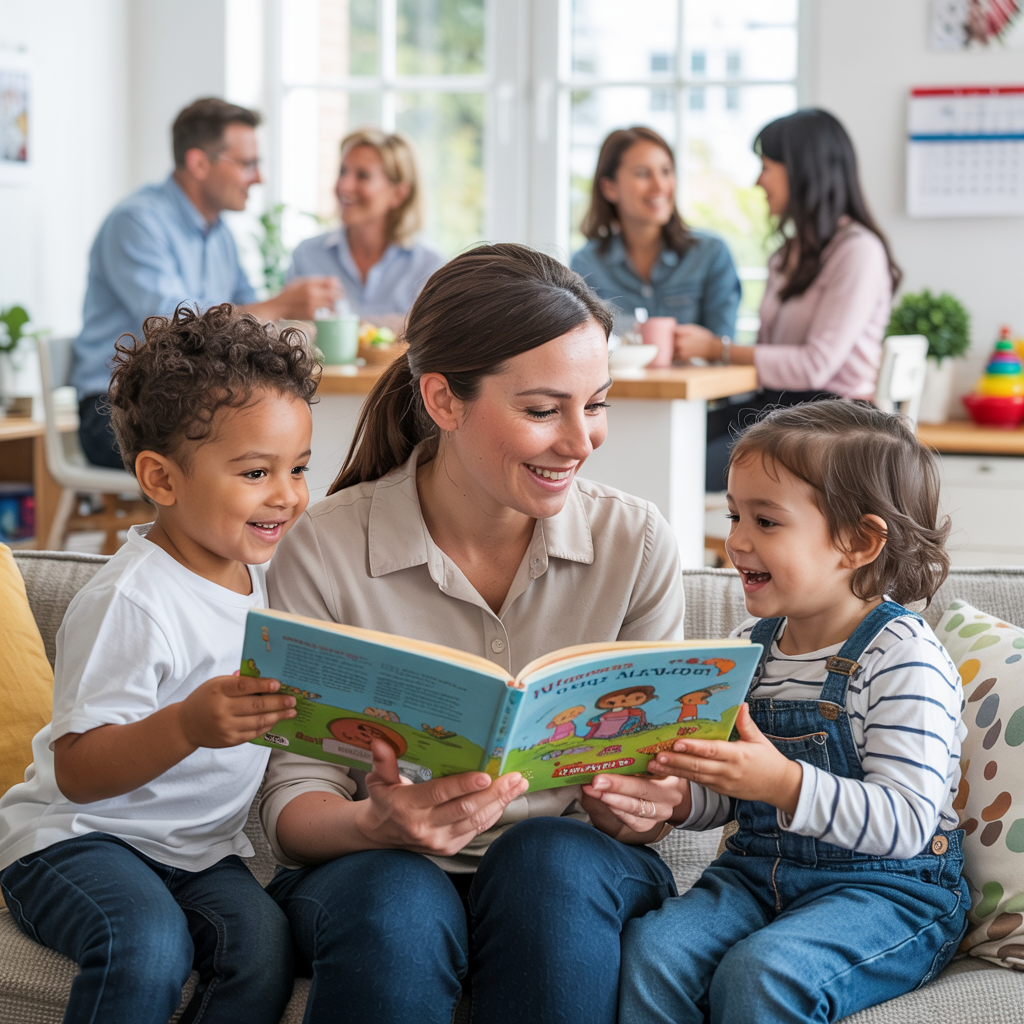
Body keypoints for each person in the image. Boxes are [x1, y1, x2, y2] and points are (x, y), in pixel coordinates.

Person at [260, 243, 693, 1024]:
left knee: (545, 863)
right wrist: (373, 820)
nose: (580, 439)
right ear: (443, 400)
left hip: (566, 865)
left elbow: (663, 784)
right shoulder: (325, 546)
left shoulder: (637, 543)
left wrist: (646, 804)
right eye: (541, 409)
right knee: (398, 893)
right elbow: (291, 804)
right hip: (375, 866)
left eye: (594, 403)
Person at [0, 304, 319, 1023]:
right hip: (76, 843)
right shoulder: (132, 599)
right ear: (162, 479)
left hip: (203, 853)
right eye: (256, 471)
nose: (287, 494)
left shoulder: (267, 577)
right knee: (143, 942)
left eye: (298, 468)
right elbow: (78, 772)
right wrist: (185, 725)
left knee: (263, 948)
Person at [621, 401, 968, 1024]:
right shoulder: (746, 650)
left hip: (887, 893)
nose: (736, 540)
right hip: (757, 875)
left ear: (858, 542)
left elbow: (907, 822)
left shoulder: (903, 658)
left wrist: (780, 781)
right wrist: (678, 797)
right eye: (733, 514)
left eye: (766, 521)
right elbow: (728, 797)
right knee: (654, 951)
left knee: (766, 972)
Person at [73, 97, 340, 469]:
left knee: (265, 437)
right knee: (234, 452)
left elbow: (247, 319)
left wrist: (286, 324)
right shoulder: (135, 222)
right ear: (199, 163)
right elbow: (173, 328)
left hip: (188, 400)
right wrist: (281, 304)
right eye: (248, 164)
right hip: (115, 408)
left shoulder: (220, 235)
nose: (259, 178)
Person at [673, 109, 902, 490]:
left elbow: (814, 365)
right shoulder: (786, 255)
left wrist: (718, 349)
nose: (758, 180)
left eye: (766, 166)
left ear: (801, 171)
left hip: (833, 419)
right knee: (670, 439)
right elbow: (774, 354)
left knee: (679, 463)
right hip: (781, 407)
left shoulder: (858, 251)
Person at [571, 125, 740, 341]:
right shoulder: (586, 265)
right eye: (643, 174)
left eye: (666, 171)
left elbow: (725, 347)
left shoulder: (711, 254)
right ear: (609, 188)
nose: (660, 185)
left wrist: (706, 345)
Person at [287, 128, 445, 329]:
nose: (343, 186)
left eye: (362, 176)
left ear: (398, 194)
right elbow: (287, 335)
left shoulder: (430, 266)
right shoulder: (307, 255)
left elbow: (438, 344)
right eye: (343, 171)